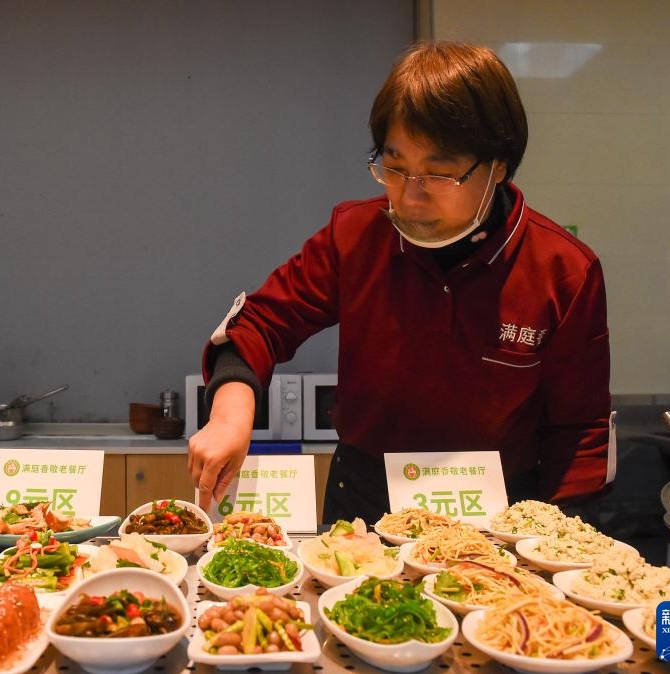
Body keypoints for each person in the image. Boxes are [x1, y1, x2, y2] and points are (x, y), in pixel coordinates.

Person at [187, 41, 611, 524]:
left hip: (501, 515)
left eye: (437, 172)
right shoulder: (355, 236)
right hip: (365, 503)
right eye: (394, 168)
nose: (410, 196)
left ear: (498, 166)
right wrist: (229, 415)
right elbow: (261, 323)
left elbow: (580, 431)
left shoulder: (564, 270)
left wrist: (558, 542)